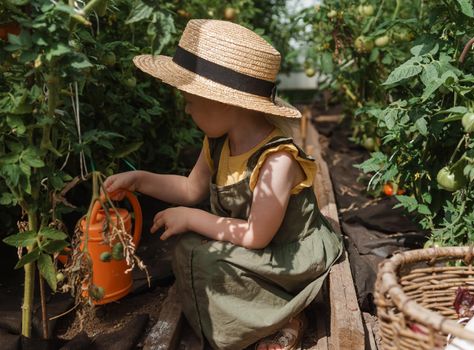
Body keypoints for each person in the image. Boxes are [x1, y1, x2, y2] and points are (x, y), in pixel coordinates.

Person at [103, 19, 342, 350]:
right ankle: (253, 313)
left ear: (225, 101)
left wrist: (189, 217)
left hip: (286, 257)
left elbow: (256, 236)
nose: (186, 109)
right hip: (253, 250)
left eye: (190, 100)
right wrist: (140, 180)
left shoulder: (277, 160)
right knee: (187, 249)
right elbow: (190, 189)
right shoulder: (217, 143)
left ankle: (285, 315)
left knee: (204, 259)